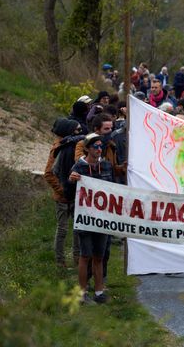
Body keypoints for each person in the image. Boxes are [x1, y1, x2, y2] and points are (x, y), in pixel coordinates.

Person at [67, 133, 114, 304]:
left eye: (101, 147)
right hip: (85, 219)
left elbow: (114, 190)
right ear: (87, 148)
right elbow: (69, 193)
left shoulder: (107, 166)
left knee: (99, 256)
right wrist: (72, 181)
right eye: (95, 147)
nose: (99, 150)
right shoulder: (78, 167)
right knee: (85, 255)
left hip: (103, 219)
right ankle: (82, 292)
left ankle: (99, 291)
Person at [44, 118, 85, 268]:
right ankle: (60, 262)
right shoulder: (58, 148)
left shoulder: (78, 146)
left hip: (76, 195)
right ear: (69, 131)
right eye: (78, 130)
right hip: (63, 197)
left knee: (77, 229)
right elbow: (48, 174)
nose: (81, 133)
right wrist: (62, 190)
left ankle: (77, 261)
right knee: (62, 230)